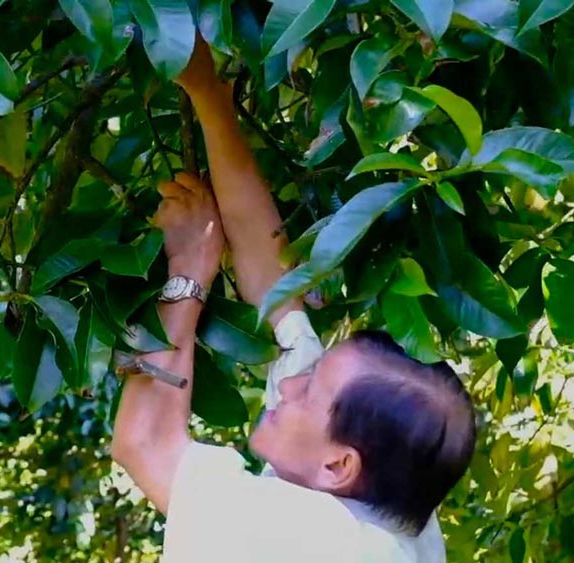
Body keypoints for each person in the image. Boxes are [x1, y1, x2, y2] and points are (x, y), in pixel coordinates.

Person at [110, 37, 477, 562]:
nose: (292, 381)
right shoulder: (392, 497)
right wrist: (208, 94)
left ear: (338, 467)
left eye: (309, 392)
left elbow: (143, 445)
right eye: (316, 369)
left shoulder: (326, 544)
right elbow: (277, 293)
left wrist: (188, 266)